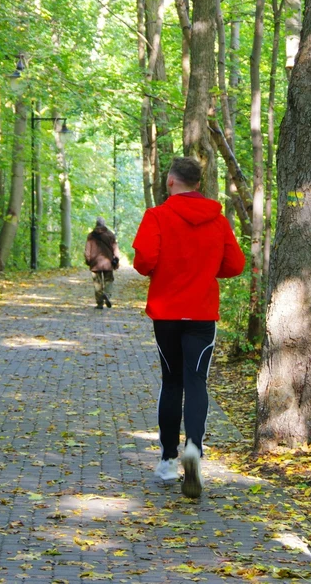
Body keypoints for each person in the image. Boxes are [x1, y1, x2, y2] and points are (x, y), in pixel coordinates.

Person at [132, 157, 245, 498]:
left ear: (170, 182)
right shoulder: (218, 220)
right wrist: (204, 273)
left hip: (166, 313)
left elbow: (143, 262)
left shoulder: (156, 216)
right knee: (196, 381)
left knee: (172, 381)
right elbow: (235, 264)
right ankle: (194, 447)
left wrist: (163, 271)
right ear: (199, 183)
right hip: (201, 314)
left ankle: (167, 459)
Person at [84, 217, 120, 309]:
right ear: (104, 224)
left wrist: (88, 261)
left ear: (96, 224)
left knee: (97, 283)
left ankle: (99, 303)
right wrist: (116, 260)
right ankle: (107, 295)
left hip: (95, 263)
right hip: (108, 263)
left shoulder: (91, 236)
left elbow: (87, 251)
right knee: (109, 280)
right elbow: (115, 249)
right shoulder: (110, 234)